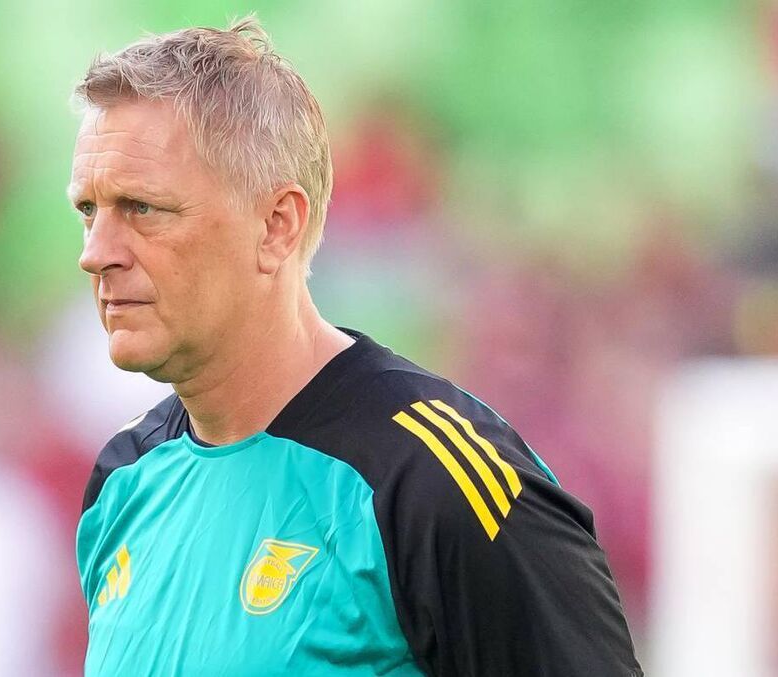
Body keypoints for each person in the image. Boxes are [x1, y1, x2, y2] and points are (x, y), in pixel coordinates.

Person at [68, 17, 643, 677]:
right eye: (89, 210)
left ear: (277, 226)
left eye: (143, 208)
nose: (96, 253)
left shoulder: (437, 484)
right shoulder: (124, 480)